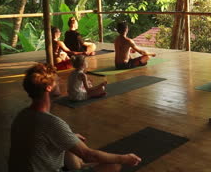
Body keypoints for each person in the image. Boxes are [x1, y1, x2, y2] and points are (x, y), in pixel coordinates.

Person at [9, 63, 141, 172]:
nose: (59, 80)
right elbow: (89, 155)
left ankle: (80, 167)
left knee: (70, 143)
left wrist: (70, 137)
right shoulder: (51, 123)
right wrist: (123, 158)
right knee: (113, 166)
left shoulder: (22, 115)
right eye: (56, 80)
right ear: (49, 88)